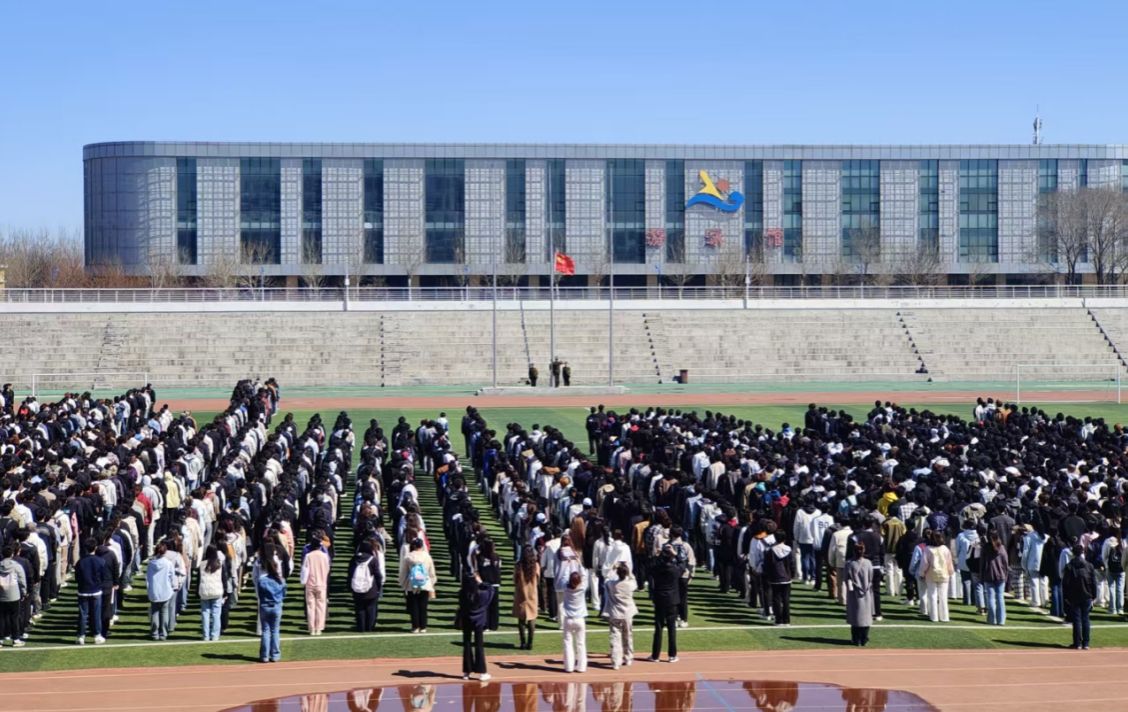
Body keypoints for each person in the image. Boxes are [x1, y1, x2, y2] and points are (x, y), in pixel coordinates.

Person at [647, 544, 683, 663]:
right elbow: (683, 566)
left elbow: (649, 567)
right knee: (671, 628)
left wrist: (657, 555)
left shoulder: (657, 568)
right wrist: (675, 555)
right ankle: (672, 655)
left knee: (658, 628)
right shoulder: (674, 569)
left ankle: (655, 655)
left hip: (660, 599)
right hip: (672, 600)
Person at [1062, 542, 1098, 650]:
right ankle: (1086, 643)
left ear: (1073, 553)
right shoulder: (1089, 565)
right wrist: (1094, 596)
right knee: (1085, 619)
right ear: (1082, 552)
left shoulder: (1069, 566)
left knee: (1076, 620)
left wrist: (1066, 597)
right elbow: (1093, 582)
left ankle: (1077, 643)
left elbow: (1065, 584)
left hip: (1074, 596)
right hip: (1087, 595)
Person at [75, 536, 109, 645]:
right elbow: (103, 577)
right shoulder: (100, 561)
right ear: (95, 547)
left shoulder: (80, 562)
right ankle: (97, 635)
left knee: (83, 615)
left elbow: (77, 578)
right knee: (96, 615)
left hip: (83, 590)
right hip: (96, 591)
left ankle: (81, 636)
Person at [459, 576, 494, 681]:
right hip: (479, 621)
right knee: (479, 645)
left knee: (467, 644)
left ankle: (466, 671)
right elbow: (491, 589)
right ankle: (482, 672)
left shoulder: (462, 593)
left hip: (466, 619)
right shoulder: (482, 594)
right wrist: (481, 582)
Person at [604, 561, 637, 670]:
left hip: (615, 614)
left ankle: (615, 661)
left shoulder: (612, 584)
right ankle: (628, 657)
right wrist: (628, 570)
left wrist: (613, 568)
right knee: (628, 636)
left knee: (615, 637)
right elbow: (633, 579)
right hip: (627, 614)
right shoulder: (630, 584)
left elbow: (606, 578)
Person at [400, 537, 437, 633]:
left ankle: (415, 626)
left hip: (412, 584)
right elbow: (431, 572)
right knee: (423, 606)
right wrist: (432, 583)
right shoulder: (427, 556)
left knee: (414, 606)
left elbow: (404, 572)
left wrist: (403, 584)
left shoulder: (408, 557)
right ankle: (423, 626)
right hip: (425, 583)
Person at [255, 551, 287, 663]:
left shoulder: (262, 580)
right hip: (276, 606)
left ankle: (264, 656)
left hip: (265, 606)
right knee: (275, 631)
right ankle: (275, 655)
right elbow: (284, 594)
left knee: (265, 631)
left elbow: (259, 594)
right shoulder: (281, 581)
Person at [349, 539, 383, 632]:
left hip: (356, 587)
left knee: (359, 608)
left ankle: (361, 627)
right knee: (370, 608)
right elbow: (378, 575)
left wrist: (349, 586)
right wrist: (379, 587)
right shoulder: (373, 559)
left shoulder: (354, 559)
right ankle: (369, 627)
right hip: (371, 588)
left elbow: (350, 574)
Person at [300, 531, 331, 636]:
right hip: (321, 584)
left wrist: (303, 581)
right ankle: (319, 628)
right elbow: (327, 569)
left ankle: (312, 628)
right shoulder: (324, 556)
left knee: (310, 606)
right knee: (321, 606)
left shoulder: (308, 556)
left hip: (310, 584)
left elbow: (305, 570)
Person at [920, 530, 954, 623]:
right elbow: (949, 562)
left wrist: (922, 573)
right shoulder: (945, 549)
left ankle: (934, 616)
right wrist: (950, 572)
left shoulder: (928, 549)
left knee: (932, 595)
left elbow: (924, 564)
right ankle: (944, 617)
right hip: (944, 574)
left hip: (931, 574)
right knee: (943, 596)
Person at [145, 541, 176, 641]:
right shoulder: (168, 563)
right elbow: (172, 577)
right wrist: (173, 586)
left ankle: (155, 633)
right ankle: (163, 633)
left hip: (154, 591)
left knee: (155, 612)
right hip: (165, 591)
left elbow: (148, 578)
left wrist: (149, 589)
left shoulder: (151, 564)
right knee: (164, 612)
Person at [845, 541, 874, 646]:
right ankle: (864, 639)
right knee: (866, 617)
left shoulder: (849, 563)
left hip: (854, 594)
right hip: (866, 593)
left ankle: (856, 639)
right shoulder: (868, 563)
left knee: (855, 617)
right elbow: (871, 578)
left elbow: (846, 579)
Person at [512, 548, 540, 650]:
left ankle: (523, 642)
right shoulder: (535, 565)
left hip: (521, 594)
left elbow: (514, 580)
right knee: (532, 619)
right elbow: (538, 579)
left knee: (521, 620)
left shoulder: (518, 566)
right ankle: (530, 642)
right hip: (532, 594)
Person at [561, 569, 588, 673]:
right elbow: (585, 575)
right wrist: (579, 563)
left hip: (568, 619)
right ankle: (581, 667)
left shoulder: (565, 588)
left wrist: (567, 565)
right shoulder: (582, 588)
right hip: (580, 619)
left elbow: (564, 576)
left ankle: (569, 667)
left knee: (567, 643)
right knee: (581, 643)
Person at [0, 544, 27, 647]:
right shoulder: (16, 566)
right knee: (14, 618)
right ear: (12, 554)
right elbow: (22, 580)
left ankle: (0, 639)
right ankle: (16, 639)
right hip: (14, 595)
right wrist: (24, 591)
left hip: (1, 594)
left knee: (1, 618)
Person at [765, 531, 795, 626]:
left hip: (775, 577)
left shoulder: (771, 551)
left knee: (776, 599)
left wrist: (768, 576)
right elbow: (792, 564)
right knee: (786, 599)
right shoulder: (788, 549)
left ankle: (778, 620)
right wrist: (792, 575)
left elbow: (767, 565)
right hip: (786, 577)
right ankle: (787, 620)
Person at [980, 531, 1009, 626]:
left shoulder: (985, 548)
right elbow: (1006, 563)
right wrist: (1006, 575)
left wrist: (981, 576)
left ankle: (992, 619)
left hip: (988, 575)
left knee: (991, 598)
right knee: (1000, 598)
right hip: (1001, 575)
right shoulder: (1002, 548)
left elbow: (982, 563)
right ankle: (1001, 620)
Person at [197, 545, 225, 641]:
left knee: (205, 613)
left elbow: (198, 579)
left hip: (205, 591)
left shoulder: (202, 564)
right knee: (216, 614)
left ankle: (206, 635)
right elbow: (224, 578)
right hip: (217, 591)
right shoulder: (219, 564)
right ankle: (215, 635)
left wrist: (197, 591)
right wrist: (225, 591)